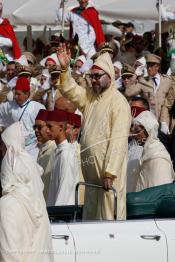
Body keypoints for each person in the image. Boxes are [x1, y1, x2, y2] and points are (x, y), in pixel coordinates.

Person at [56, 44, 131, 220]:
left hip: (108, 176)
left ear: (110, 76)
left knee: (108, 220)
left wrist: (110, 173)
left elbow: (118, 140)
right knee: (90, 221)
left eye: (98, 76)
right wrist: (65, 69)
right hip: (91, 175)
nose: (94, 80)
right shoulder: (91, 97)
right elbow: (70, 91)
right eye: (91, 76)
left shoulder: (118, 103)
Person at [0, 122, 53, 262]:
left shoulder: (7, 204)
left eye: (2, 146)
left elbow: (9, 255)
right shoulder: (36, 200)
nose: (0, 150)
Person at [0, 76, 45, 158]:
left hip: (32, 148)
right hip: (14, 148)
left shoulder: (38, 107)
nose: (16, 96)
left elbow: (44, 127)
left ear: (27, 94)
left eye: (18, 94)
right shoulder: (9, 106)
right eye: (15, 93)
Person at [131, 111, 174, 191]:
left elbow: (160, 193)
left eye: (137, 131)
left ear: (148, 131)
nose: (134, 135)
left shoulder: (158, 156)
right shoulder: (144, 150)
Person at [46, 110, 80, 206]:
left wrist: (55, 215)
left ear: (61, 127)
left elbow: (65, 191)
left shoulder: (66, 154)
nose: (47, 130)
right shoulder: (58, 151)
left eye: (50, 127)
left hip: (62, 215)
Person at [125, 54, 172, 121]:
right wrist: (135, 75)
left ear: (157, 67)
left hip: (165, 120)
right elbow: (128, 93)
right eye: (148, 66)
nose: (149, 68)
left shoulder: (167, 80)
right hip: (150, 120)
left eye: (152, 66)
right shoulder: (143, 82)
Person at [34, 109, 56, 201]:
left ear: (49, 128)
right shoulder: (41, 148)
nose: (36, 130)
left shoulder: (54, 149)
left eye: (39, 127)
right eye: (34, 127)